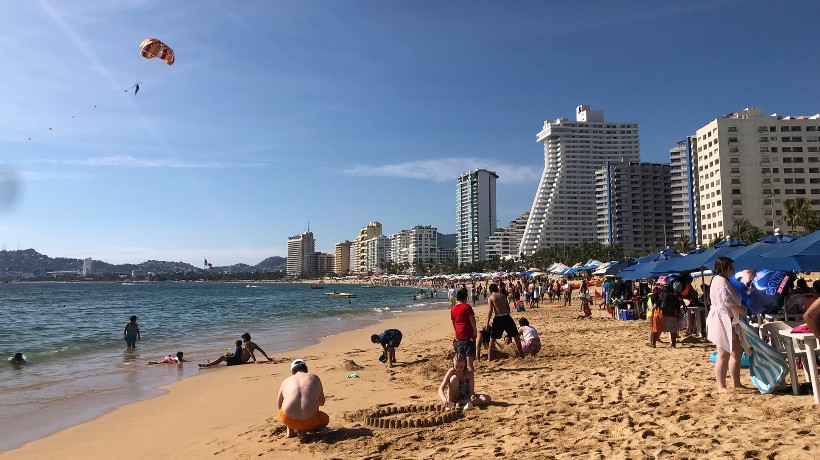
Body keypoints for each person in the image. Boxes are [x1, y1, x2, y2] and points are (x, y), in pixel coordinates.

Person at [706, 257, 747, 393]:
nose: (734, 270)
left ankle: (736, 382)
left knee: (737, 351)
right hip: (723, 318)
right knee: (723, 353)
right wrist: (740, 310)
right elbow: (727, 301)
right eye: (732, 267)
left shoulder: (723, 280)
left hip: (730, 318)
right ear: (726, 267)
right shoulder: (721, 280)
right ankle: (721, 386)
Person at [278, 359, 328, 438]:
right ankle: (302, 429)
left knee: (286, 409)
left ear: (292, 372)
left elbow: (279, 405)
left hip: (288, 420)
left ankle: (290, 430)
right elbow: (322, 402)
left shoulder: (285, 381)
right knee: (325, 419)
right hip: (309, 422)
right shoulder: (315, 377)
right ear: (306, 369)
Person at [486, 283, 523, 361]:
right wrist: (508, 316)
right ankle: (521, 354)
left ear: (490, 290)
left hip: (498, 318)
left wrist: (487, 322)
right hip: (507, 316)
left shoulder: (491, 298)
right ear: (497, 289)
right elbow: (508, 307)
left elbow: (490, 311)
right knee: (516, 335)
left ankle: (489, 358)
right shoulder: (502, 296)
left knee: (492, 338)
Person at [450, 288, 477, 385]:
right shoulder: (467, 307)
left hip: (459, 335)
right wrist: (475, 332)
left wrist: (456, 333)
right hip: (468, 335)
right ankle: (470, 384)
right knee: (469, 362)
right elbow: (472, 320)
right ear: (465, 297)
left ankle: (459, 381)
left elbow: (454, 323)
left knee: (460, 362)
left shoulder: (453, 309)